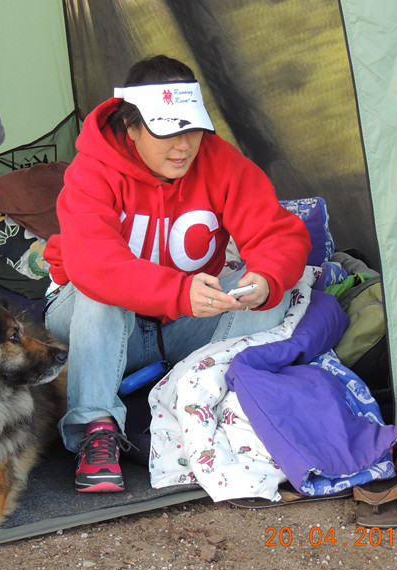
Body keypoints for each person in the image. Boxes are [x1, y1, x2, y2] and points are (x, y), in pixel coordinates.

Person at [43, 55, 310, 492]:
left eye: (192, 130)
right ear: (130, 127)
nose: (183, 146)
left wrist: (263, 280)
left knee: (278, 290)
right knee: (98, 292)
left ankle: (199, 395)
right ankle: (95, 429)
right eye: (167, 133)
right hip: (92, 329)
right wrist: (179, 292)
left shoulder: (220, 162)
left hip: (181, 323)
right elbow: (95, 265)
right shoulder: (92, 170)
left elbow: (278, 234)